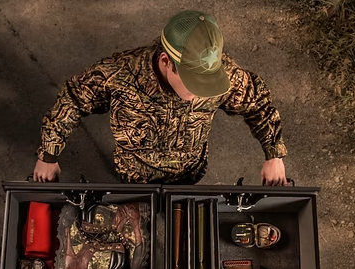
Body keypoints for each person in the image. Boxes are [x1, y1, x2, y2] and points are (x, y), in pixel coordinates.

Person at [33, 10, 288, 186]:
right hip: (134, 178)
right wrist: (48, 155)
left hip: (189, 174)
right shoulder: (119, 74)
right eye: (193, 83)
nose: (197, 95)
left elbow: (258, 104)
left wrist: (273, 154)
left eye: (207, 82)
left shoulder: (225, 72)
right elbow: (73, 99)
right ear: (166, 61)